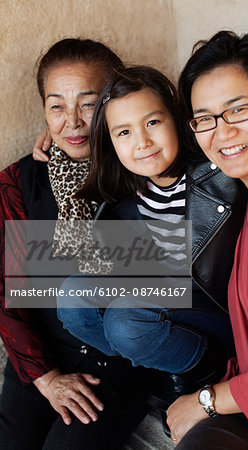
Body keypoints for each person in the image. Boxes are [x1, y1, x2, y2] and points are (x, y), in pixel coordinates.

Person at [53, 65, 248, 443]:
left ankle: (201, 376)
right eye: (124, 132)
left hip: (220, 314)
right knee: (72, 297)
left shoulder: (220, 172)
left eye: (153, 122)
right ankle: (161, 366)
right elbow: (70, 151)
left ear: (178, 120)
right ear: (111, 142)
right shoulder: (126, 194)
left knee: (126, 322)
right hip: (164, 304)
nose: (142, 142)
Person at [0, 38, 149, 450]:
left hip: (114, 366)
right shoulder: (18, 182)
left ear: (115, 99)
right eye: (57, 106)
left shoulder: (143, 170)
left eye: (89, 103)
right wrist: (46, 377)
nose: (73, 122)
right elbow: (7, 293)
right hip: (41, 358)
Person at [166, 31, 248, 450]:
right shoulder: (235, 201)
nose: (221, 133)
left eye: (238, 109)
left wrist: (205, 401)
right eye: (204, 118)